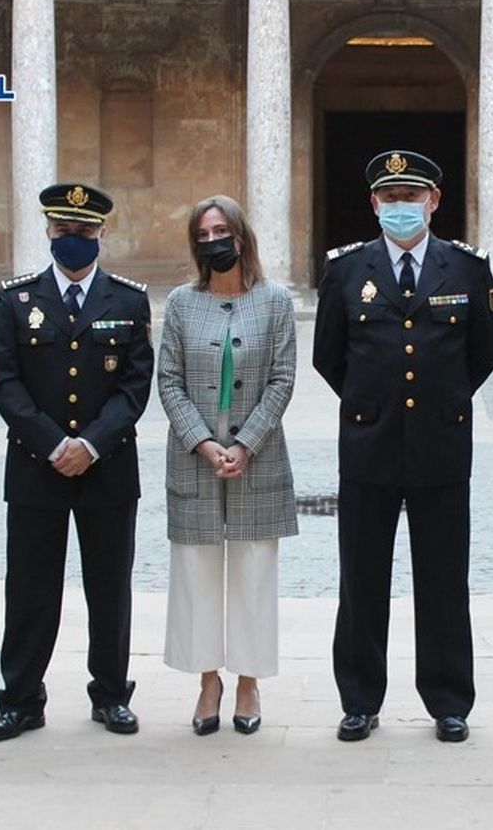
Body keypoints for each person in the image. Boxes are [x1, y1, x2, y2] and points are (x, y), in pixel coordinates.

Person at [312, 149, 493, 743]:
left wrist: (443, 402)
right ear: (374, 203)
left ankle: (448, 701)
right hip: (368, 443)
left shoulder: (467, 269)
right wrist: (373, 401)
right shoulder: (345, 269)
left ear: (434, 201)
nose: (401, 207)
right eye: (390, 198)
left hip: (441, 446)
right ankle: (360, 699)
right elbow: (328, 355)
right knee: (361, 578)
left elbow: (484, 354)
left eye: (411, 196)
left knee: (443, 579)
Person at [0, 182, 154, 742]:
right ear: (48, 232)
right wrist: (54, 445)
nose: (73, 240)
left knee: (110, 588)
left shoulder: (128, 300)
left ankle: (111, 694)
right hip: (37, 467)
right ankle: (22, 698)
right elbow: (5, 384)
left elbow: (134, 386)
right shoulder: (17, 299)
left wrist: (92, 444)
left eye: (83, 232)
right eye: (63, 231)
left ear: (102, 233)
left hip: (107, 467)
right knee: (30, 589)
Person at [156, 195, 297, 736]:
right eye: (203, 234)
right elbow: (168, 380)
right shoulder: (180, 303)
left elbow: (283, 378)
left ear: (241, 237)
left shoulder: (276, 301)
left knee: (253, 573)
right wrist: (202, 441)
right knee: (196, 574)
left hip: (257, 462)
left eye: (222, 231)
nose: (213, 240)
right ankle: (208, 679)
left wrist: (246, 443)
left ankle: (248, 681)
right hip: (195, 461)